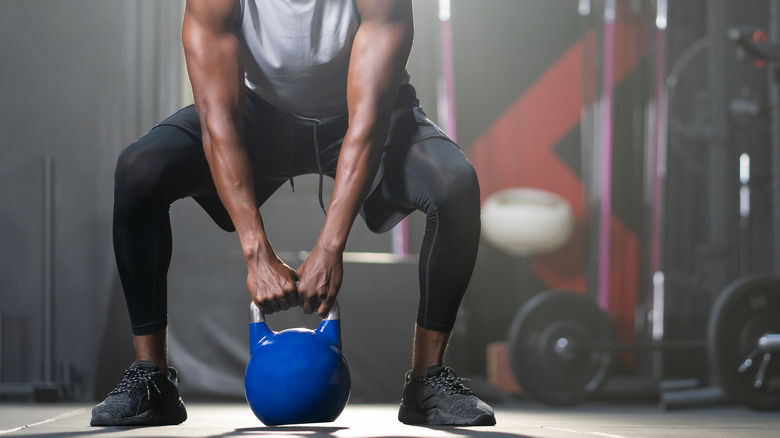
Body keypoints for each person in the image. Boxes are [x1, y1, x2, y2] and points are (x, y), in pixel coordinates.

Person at [91, 0, 495, 427]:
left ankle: (425, 381)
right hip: (257, 115)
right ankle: (152, 380)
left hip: (364, 113)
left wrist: (330, 247)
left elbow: (368, 121)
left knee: (454, 185)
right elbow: (218, 121)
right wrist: (256, 253)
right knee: (140, 171)